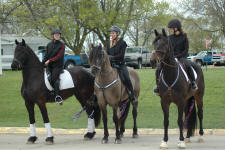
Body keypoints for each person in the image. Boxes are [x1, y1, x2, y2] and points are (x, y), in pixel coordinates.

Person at [153, 19, 198, 95]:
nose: (170, 30)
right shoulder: (169, 38)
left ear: (176, 28)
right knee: (159, 68)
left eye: (170, 28)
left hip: (182, 57)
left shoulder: (184, 37)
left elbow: (186, 50)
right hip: (171, 58)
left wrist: (177, 56)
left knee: (188, 65)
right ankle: (158, 86)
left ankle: (193, 83)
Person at [106, 26, 136, 102]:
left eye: (113, 33)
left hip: (120, 64)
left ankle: (132, 94)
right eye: (111, 33)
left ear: (117, 33)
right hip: (110, 65)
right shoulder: (109, 43)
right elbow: (107, 53)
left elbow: (121, 55)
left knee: (126, 78)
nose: (111, 34)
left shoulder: (122, 43)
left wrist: (111, 57)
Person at [43, 29, 65, 104]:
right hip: (50, 66)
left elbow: (59, 56)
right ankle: (52, 92)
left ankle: (58, 96)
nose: (58, 36)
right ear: (53, 36)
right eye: (56, 35)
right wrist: (42, 63)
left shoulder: (62, 45)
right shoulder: (48, 45)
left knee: (53, 79)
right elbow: (46, 55)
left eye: (59, 35)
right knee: (48, 78)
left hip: (58, 66)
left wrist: (49, 61)